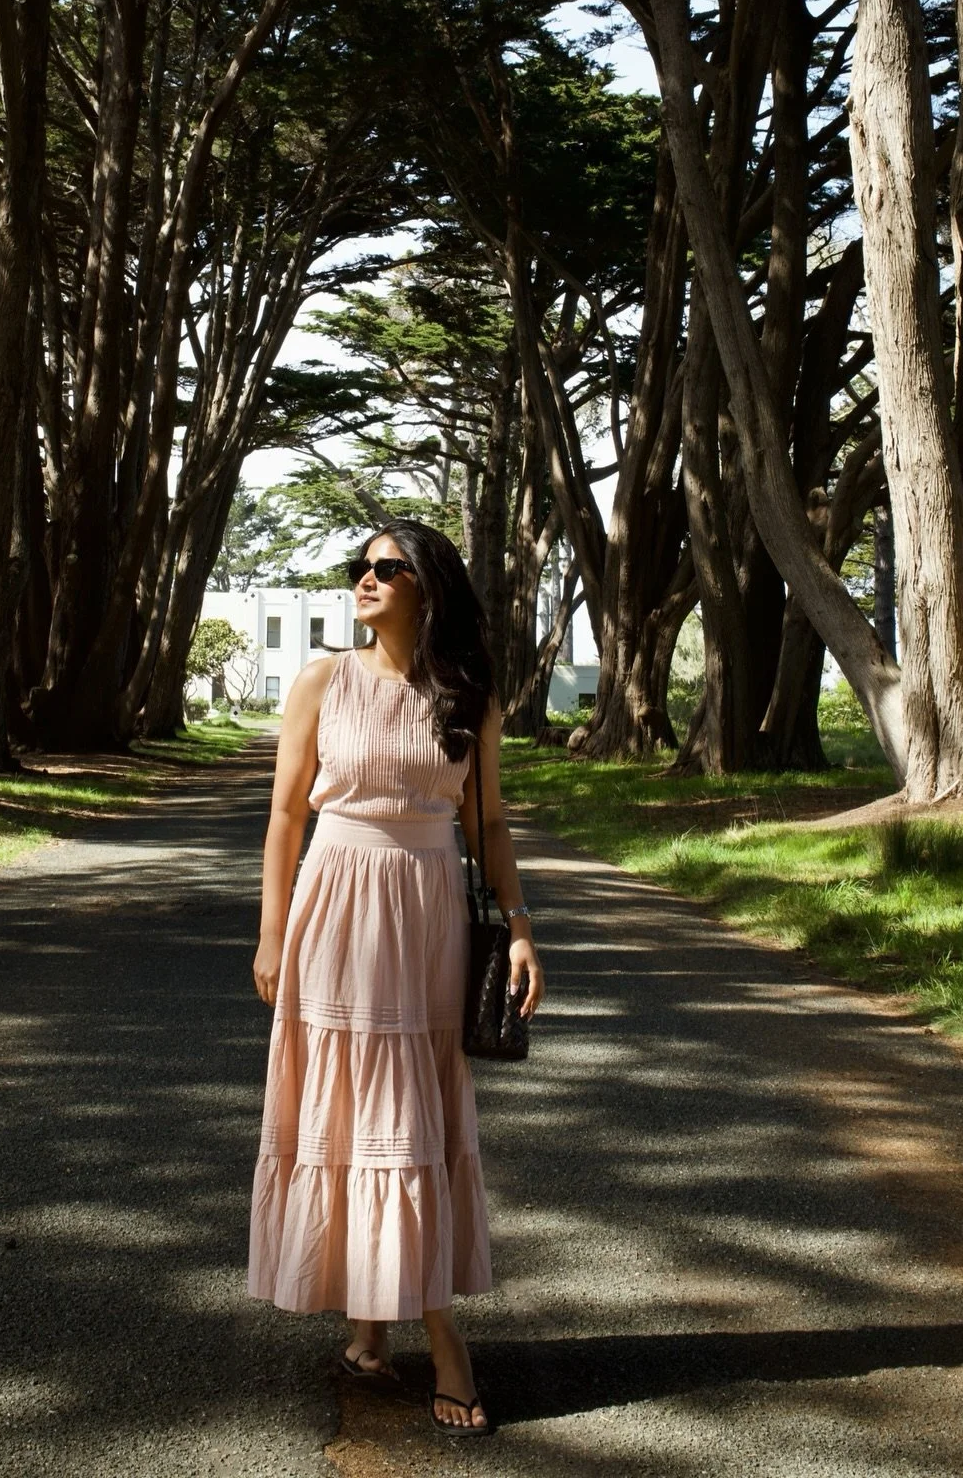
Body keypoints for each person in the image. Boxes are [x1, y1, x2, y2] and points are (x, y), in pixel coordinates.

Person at [247, 520, 545, 1438]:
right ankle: (406, 1336)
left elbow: (488, 825)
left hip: (427, 914)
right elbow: (286, 817)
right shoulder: (321, 681)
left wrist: (521, 927)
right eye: (361, 567)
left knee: (407, 1113)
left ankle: (399, 1333)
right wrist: (271, 935)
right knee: (353, 1108)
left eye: (387, 567)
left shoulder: (468, 694)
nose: (366, 579)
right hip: (334, 907)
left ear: (428, 586)